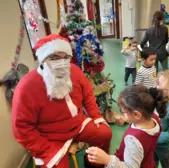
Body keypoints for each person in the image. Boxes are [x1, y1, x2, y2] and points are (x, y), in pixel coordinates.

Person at [12, 34, 112, 168]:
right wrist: (46, 149)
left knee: (105, 133)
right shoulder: (26, 86)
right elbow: (22, 129)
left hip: (78, 124)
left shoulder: (74, 71)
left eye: (66, 57)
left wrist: (96, 116)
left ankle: (93, 164)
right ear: (43, 59)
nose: (62, 62)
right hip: (49, 137)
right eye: (54, 57)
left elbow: (88, 94)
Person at [86, 85, 168, 168]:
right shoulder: (154, 118)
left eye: (123, 111)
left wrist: (107, 159)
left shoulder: (133, 140)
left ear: (136, 114)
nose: (121, 113)